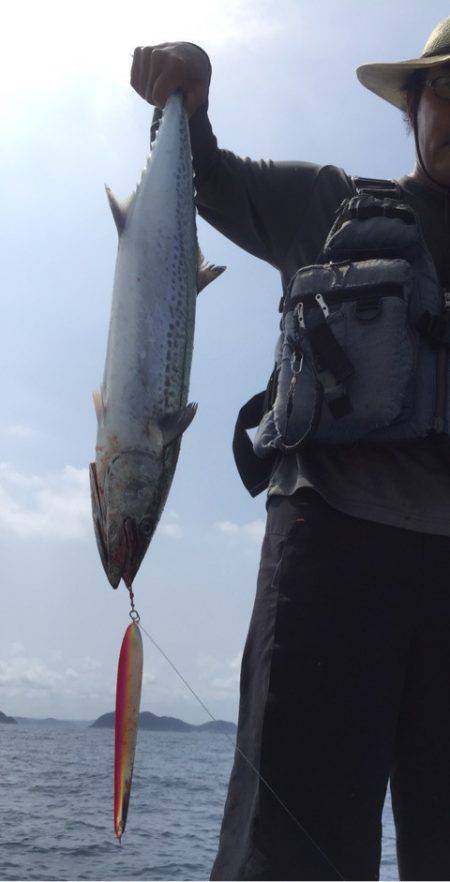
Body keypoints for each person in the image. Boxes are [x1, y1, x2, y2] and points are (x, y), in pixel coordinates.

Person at [131, 17, 450, 881]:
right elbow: (209, 178)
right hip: (332, 558)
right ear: (413, 110)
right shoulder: (330, 202)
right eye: (446, 89)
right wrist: (187, 97)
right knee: (291, 855)